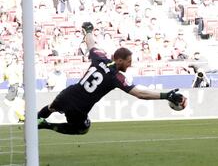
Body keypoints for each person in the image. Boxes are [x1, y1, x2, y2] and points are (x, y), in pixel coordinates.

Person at [37, 22, 187, 135]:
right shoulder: (117, 77)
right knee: (83, 128)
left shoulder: (99, 58)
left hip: (68, 93)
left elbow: (90, 43)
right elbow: (141, 94)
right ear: (119, 60)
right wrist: (166, 95)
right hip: (79, 107)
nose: (130, 65)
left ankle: (34, 121)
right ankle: (47, 126)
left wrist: (88, 31)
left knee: (51, 107)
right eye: (128, 62)